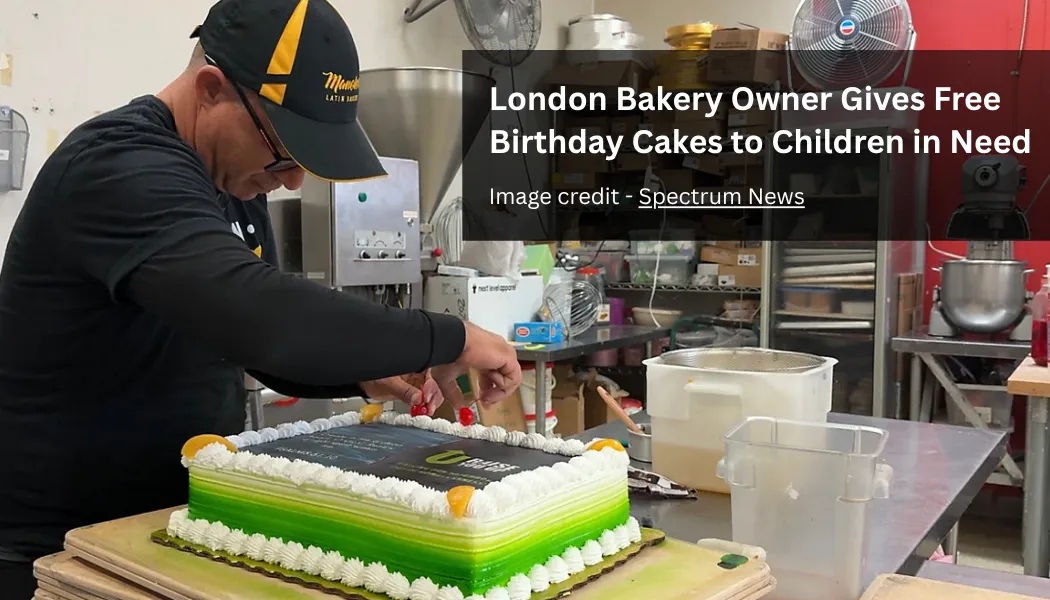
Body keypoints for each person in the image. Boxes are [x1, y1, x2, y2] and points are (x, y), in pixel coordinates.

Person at [0, 0, 522, 594]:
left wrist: (368, 373)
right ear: (211, 88)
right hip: (62, 547)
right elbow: (264, 319)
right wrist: (451, 333)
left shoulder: (231, 180)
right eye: (284, 152)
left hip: (171, 526)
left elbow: (259, 351)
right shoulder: (118, 165)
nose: (294, 180)